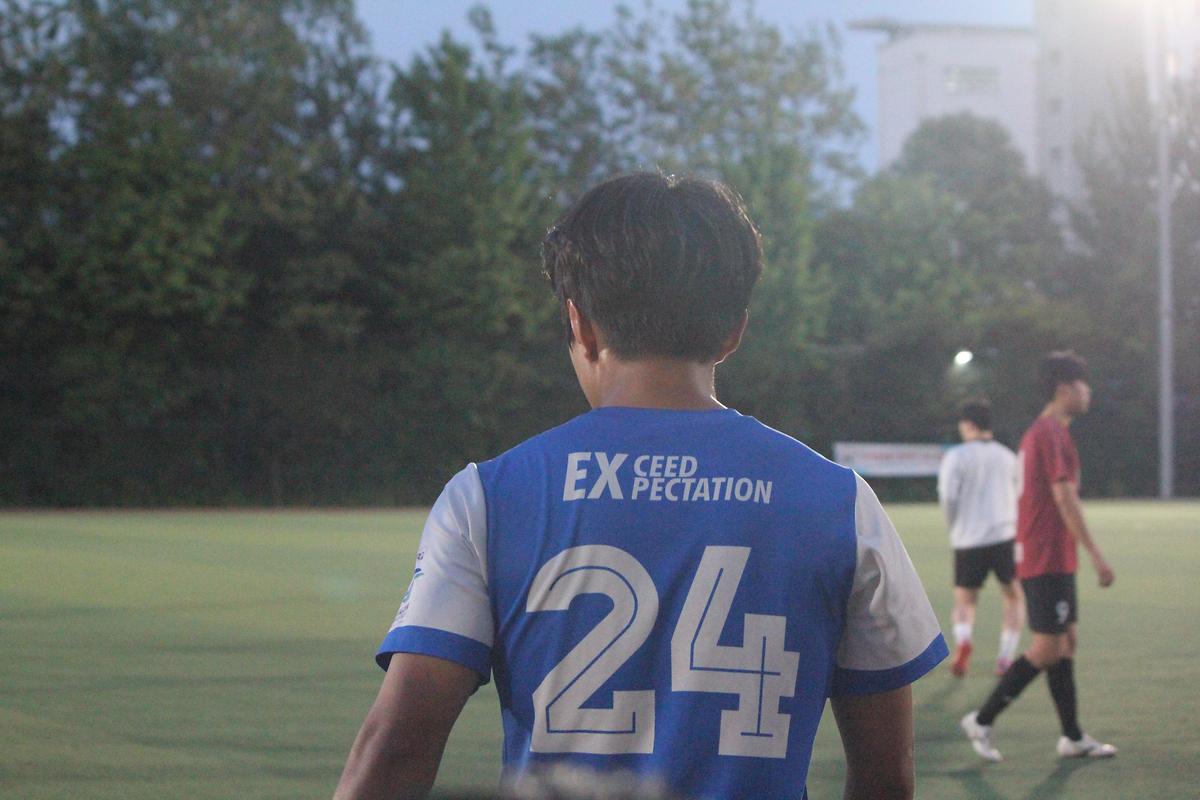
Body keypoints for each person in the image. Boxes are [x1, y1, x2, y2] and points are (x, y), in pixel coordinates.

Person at [333, 172, 947, 800]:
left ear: (581, 324)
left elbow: (398, 747)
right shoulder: (840, 503)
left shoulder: (487, 497)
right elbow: (886, 775)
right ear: (734, 332)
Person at [961, 351, 1116, 762]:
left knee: (1066, 643)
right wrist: (1097, 555)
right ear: (1065, 388)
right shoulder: (1050, 434)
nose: (1088, 392)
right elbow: (1064, 498)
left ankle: (1072, 736)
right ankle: (982, 719)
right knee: (1047, 648)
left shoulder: (1046, 432)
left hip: (1054, 557)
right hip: (1044, 558)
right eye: (1083, 385)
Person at [937, 400, 1023, 677]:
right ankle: (1005, 657)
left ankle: (964, 641)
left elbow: (948, 497)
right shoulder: (1008, 457)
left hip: (968, 538)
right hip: (1004, 536)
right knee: (1013, 597)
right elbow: (1019, 494)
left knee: (965, 600)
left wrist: (954, 527)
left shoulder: (956, 457)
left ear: (968, 425)